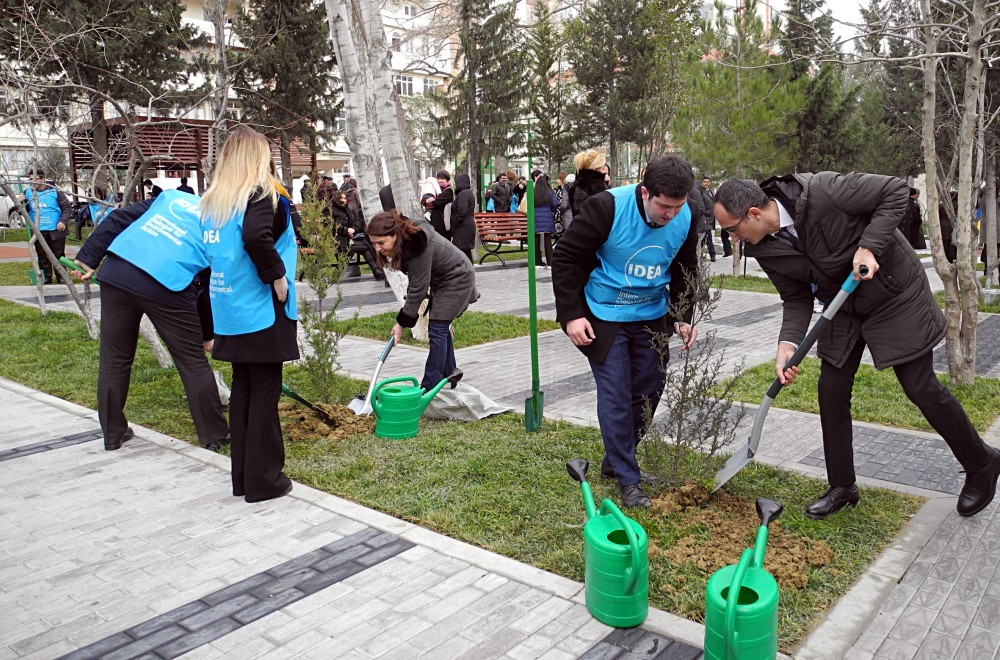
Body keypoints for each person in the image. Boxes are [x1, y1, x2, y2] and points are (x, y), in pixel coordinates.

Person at [713, 174, 1000, 519]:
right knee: (831, 388)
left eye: (731, 229)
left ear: (754, 214)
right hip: (842, 304)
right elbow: (795, 295)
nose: (731, 238)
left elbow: (894, 192)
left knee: (919, 385)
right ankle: (843, 487)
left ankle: (981, 462)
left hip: (892, 292)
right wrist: (787, 343)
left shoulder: (821, 192)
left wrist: (870, 246)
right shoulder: (764, 247)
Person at [551, 155, 700, 508]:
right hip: (604, 314)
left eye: (677, 207)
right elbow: (566, 258)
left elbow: (685, 267)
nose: (671, 215)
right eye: (664, 206)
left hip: (651, 313)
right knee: (617, 393)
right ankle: (629, 481)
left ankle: (616, 462)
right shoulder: (606, 207)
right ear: (645, 192)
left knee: (649, 388)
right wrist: (572, 315)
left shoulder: (686, 214)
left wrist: (681, 315)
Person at [73, 192, 230, 453]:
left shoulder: (170, 198)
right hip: (168, 284)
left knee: (114, 358)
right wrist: (207, 334)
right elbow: (208, 282)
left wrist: (88, 258)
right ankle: (214, 435)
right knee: (192, 362)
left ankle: (113, 433)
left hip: (118, 273)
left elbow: (118, 218)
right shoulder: (222, 221)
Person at [199, 125, 299, 504]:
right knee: (264, 393)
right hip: (261, 309)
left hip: (228, 308)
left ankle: (242, 477)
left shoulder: (215, 204)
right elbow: (256, 238)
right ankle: (264, 480)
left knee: (243, 389)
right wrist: (276, 278)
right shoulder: (260, 194)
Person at [367, 210, 479, 391]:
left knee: (437, 329)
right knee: (439, 328)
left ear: (395, 235)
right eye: (374, 244)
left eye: (381, 243)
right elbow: (416, 282)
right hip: (443, 280)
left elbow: (418, 288)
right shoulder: (408, 240)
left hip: (457, 279)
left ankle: (429, 387)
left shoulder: (418, 245)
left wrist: (401, 324)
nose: (378, 249)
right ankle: (450, 374)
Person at [22, 168, 72, 284]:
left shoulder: (55, 191)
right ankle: (47, 279)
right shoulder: (27, 193)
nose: (31, 182)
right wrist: (19, 203)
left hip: (56, 230)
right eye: (30, 180)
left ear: (43, 179)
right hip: (38, 230)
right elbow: (21, 211)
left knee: (58, 255)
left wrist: (63, 221)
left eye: (34, 179)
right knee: (42, 256)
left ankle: (61, 277)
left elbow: (67, 208)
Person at [328, 189, 384, 281]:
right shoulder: (329, 210)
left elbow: (357, 221)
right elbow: (331, 225)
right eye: (341, 198)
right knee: (365, 246)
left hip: (352, 237)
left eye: (345, 198)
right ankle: (376, 270)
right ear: (336, 199)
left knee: (365, 245)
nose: (343, 200)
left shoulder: (349, 209)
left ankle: (376, 270)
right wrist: (346, 230)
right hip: (338, 239)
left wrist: (353, 228)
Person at [569, 149, 610, 220]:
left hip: (580, 227)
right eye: (602, 169)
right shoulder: (597, 185)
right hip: (598, 228)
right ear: (595, 169)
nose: (604, 172)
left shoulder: (575, 185)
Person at [530, 170, 559, 268]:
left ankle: (537, 262)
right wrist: (552, 211)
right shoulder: (550, 191)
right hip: (547, 217)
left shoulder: (533, 191)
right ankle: (550, 262)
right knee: (547, 240)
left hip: (535, 218)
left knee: (536, 240)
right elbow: (555, 204)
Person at [450, 173, 477, 262]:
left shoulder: (463, 194)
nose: (456, 185)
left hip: (463, 227)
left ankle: (465, 271)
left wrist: (454, 222)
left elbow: (461, 211)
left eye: (457, 182)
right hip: (466, 225)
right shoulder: (467, 193)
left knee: (461, 251)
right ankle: (469, 271)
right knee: (466, 251)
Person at [425, 169, 454, 240]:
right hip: (436, 224)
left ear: (447, 180)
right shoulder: (437, 191)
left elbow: (436, 203)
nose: (439, 180)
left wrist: (431, 201)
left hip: (443, 225)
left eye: (442, 178)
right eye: (438, 178)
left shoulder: (448, 191)